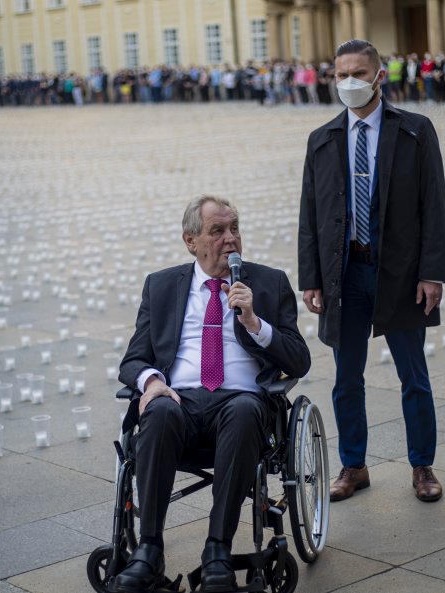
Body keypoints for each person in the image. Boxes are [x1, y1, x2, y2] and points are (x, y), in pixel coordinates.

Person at [112, 196, 310, 593]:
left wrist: (255, 322)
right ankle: (149, 550)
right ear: (191, 240)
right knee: (159, 410)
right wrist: (152, 383)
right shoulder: (162, 285)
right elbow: (133, 360)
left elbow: (300, 360)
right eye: (217, 231)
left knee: (241, 409)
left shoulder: (268, 282)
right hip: (180, 401)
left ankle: (217, 549)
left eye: (234, 228)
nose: (230, 238)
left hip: (240, 402)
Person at [297, 40, 445, 504]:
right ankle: (354, 465)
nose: (349, 82)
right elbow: (310, 211)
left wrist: (432, 273)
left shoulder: (415, 132)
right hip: (346, 275)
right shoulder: (322, 139)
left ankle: (422, 465)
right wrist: (311, 277)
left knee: (413, 376)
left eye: (359, 73)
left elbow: (433, 205)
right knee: (347, 378)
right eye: (342, 74)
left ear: (380, 76)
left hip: (399, 273)